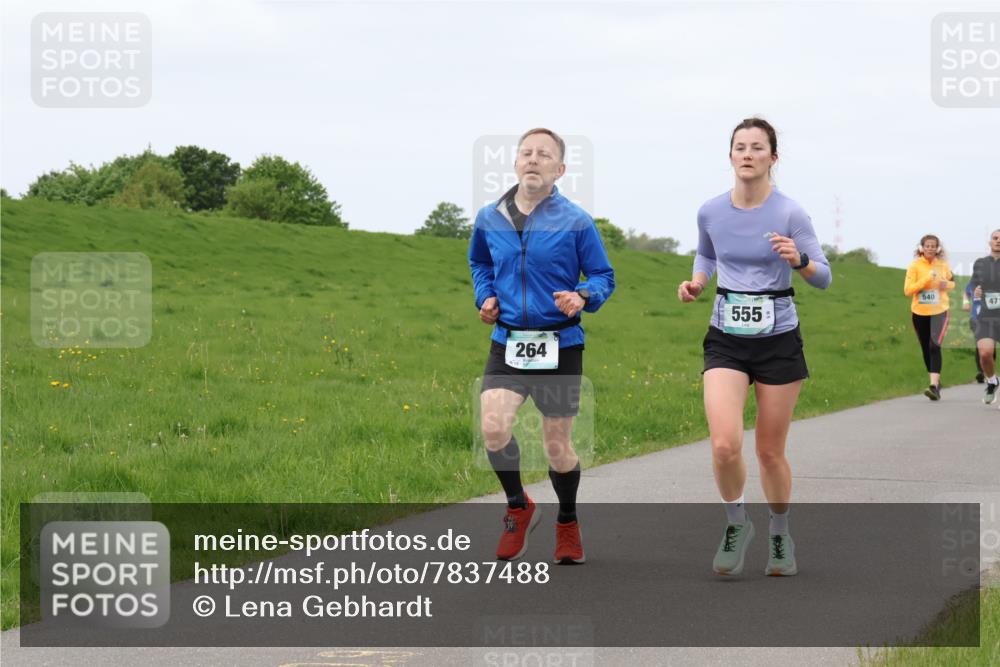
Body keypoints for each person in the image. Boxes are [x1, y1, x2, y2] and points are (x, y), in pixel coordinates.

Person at [677, 117, 831, 577]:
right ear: (730, 156)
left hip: (778, 339)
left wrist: (800, 260)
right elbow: (707, 253)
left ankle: (780, 533)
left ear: (773, 157)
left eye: (757, 147)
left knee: (768, 451)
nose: (747, 154)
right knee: (725, 444)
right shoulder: (710, 211)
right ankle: (737, 523)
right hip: (725, 337)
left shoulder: (790, 214)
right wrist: (698, 281)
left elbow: (823, 276)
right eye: (740, 147)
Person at [469, 128, 615, 564]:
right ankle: (519, 507)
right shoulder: (489, 217)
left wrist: (583, 296)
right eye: (526, 153)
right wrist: (485, 296)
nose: (534, 159)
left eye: (544, 155)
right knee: (493, 427)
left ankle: (567, 520)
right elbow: (480, 262)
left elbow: (603, 276)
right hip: (509, 340)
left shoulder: (576, 221)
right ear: (516, 163)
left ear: (560, 169)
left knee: (557, 447)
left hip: (560, 344)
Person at [904, 235, 955, 400]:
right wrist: (927, 278)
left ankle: (933, 386)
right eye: (927, 246)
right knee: (926, 348)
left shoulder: (943, 265)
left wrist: (946, 284)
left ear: (938, 248)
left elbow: (952, 283)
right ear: (922, 248)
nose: (930, 249)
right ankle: (936, 383)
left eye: (933, 246)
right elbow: (908, 290)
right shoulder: (914, 266)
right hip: (919, 313)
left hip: (940, 311)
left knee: (934, 346)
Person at [969, 229, 1000, 405]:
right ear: (990, 242)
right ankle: (992, 381)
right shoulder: (980, 263)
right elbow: (974, 284)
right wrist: (976, 291)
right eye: (995, 238)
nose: (998, 241)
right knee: (985, 353)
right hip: (987, 316)